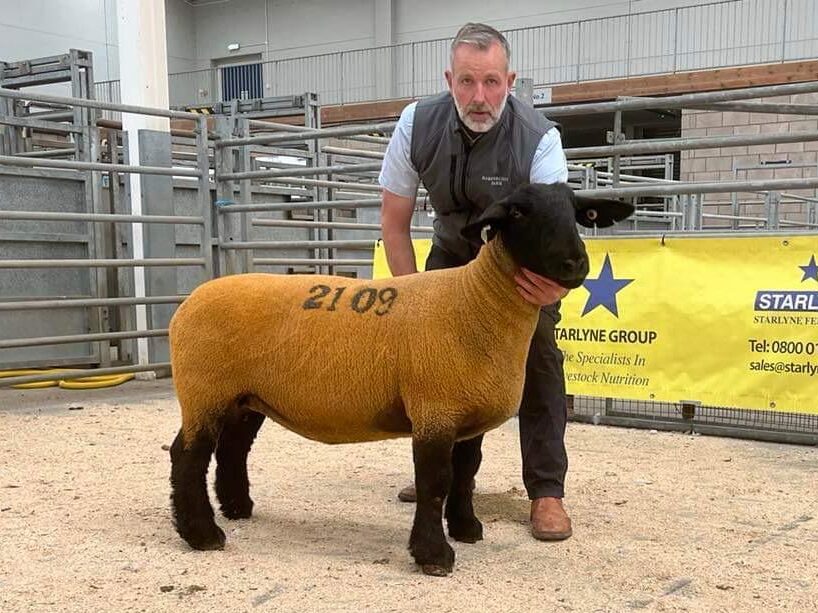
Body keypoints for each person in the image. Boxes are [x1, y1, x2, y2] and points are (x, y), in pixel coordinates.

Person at [377, 22, 574, 541]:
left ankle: (547, 492)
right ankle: (438, 477)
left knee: (538, 358)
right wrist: (411, 297)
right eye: (466, 81)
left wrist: (551, 289)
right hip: (452, 253)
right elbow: (394, 224)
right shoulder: (415, 124)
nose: (479, 96)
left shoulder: (540, 140)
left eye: (491, 82)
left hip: (518, 269)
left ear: (510, 80)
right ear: (450, 79)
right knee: (435, 367)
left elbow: (554, 230)